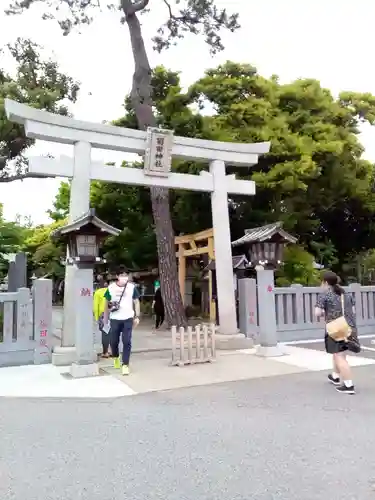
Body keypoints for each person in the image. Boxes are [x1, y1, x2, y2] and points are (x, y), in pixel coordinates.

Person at [315, 271, 358, 394]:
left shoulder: (325, 295)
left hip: (335, 329)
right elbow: (352, 311)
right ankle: (335, 376)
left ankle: (349, 385)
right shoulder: (347, 294)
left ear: (325, 282)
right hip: (349, 327)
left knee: (339, 356)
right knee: (339, 353)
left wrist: (326, 313)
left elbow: (317, 313)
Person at [103, 266, 140, 376]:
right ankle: (116, 357)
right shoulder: (111, 288)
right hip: (115, 318)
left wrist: (137, 316)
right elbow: (106, 303)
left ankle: (125, 365)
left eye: (126, 275)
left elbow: (136, 301)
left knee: (127, 341)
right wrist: (105, 319)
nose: (125, 277)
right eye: (122, 275)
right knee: (113, 342)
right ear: (117, 276)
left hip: (128, 318)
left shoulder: (131, 287)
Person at [93, 280, 110, 358]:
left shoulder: (98, 292)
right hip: (113, 313)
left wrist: (96, 318)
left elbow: (95, 307)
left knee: (105, 333)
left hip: (103, 314)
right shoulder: (111, 291)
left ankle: (105, 352)